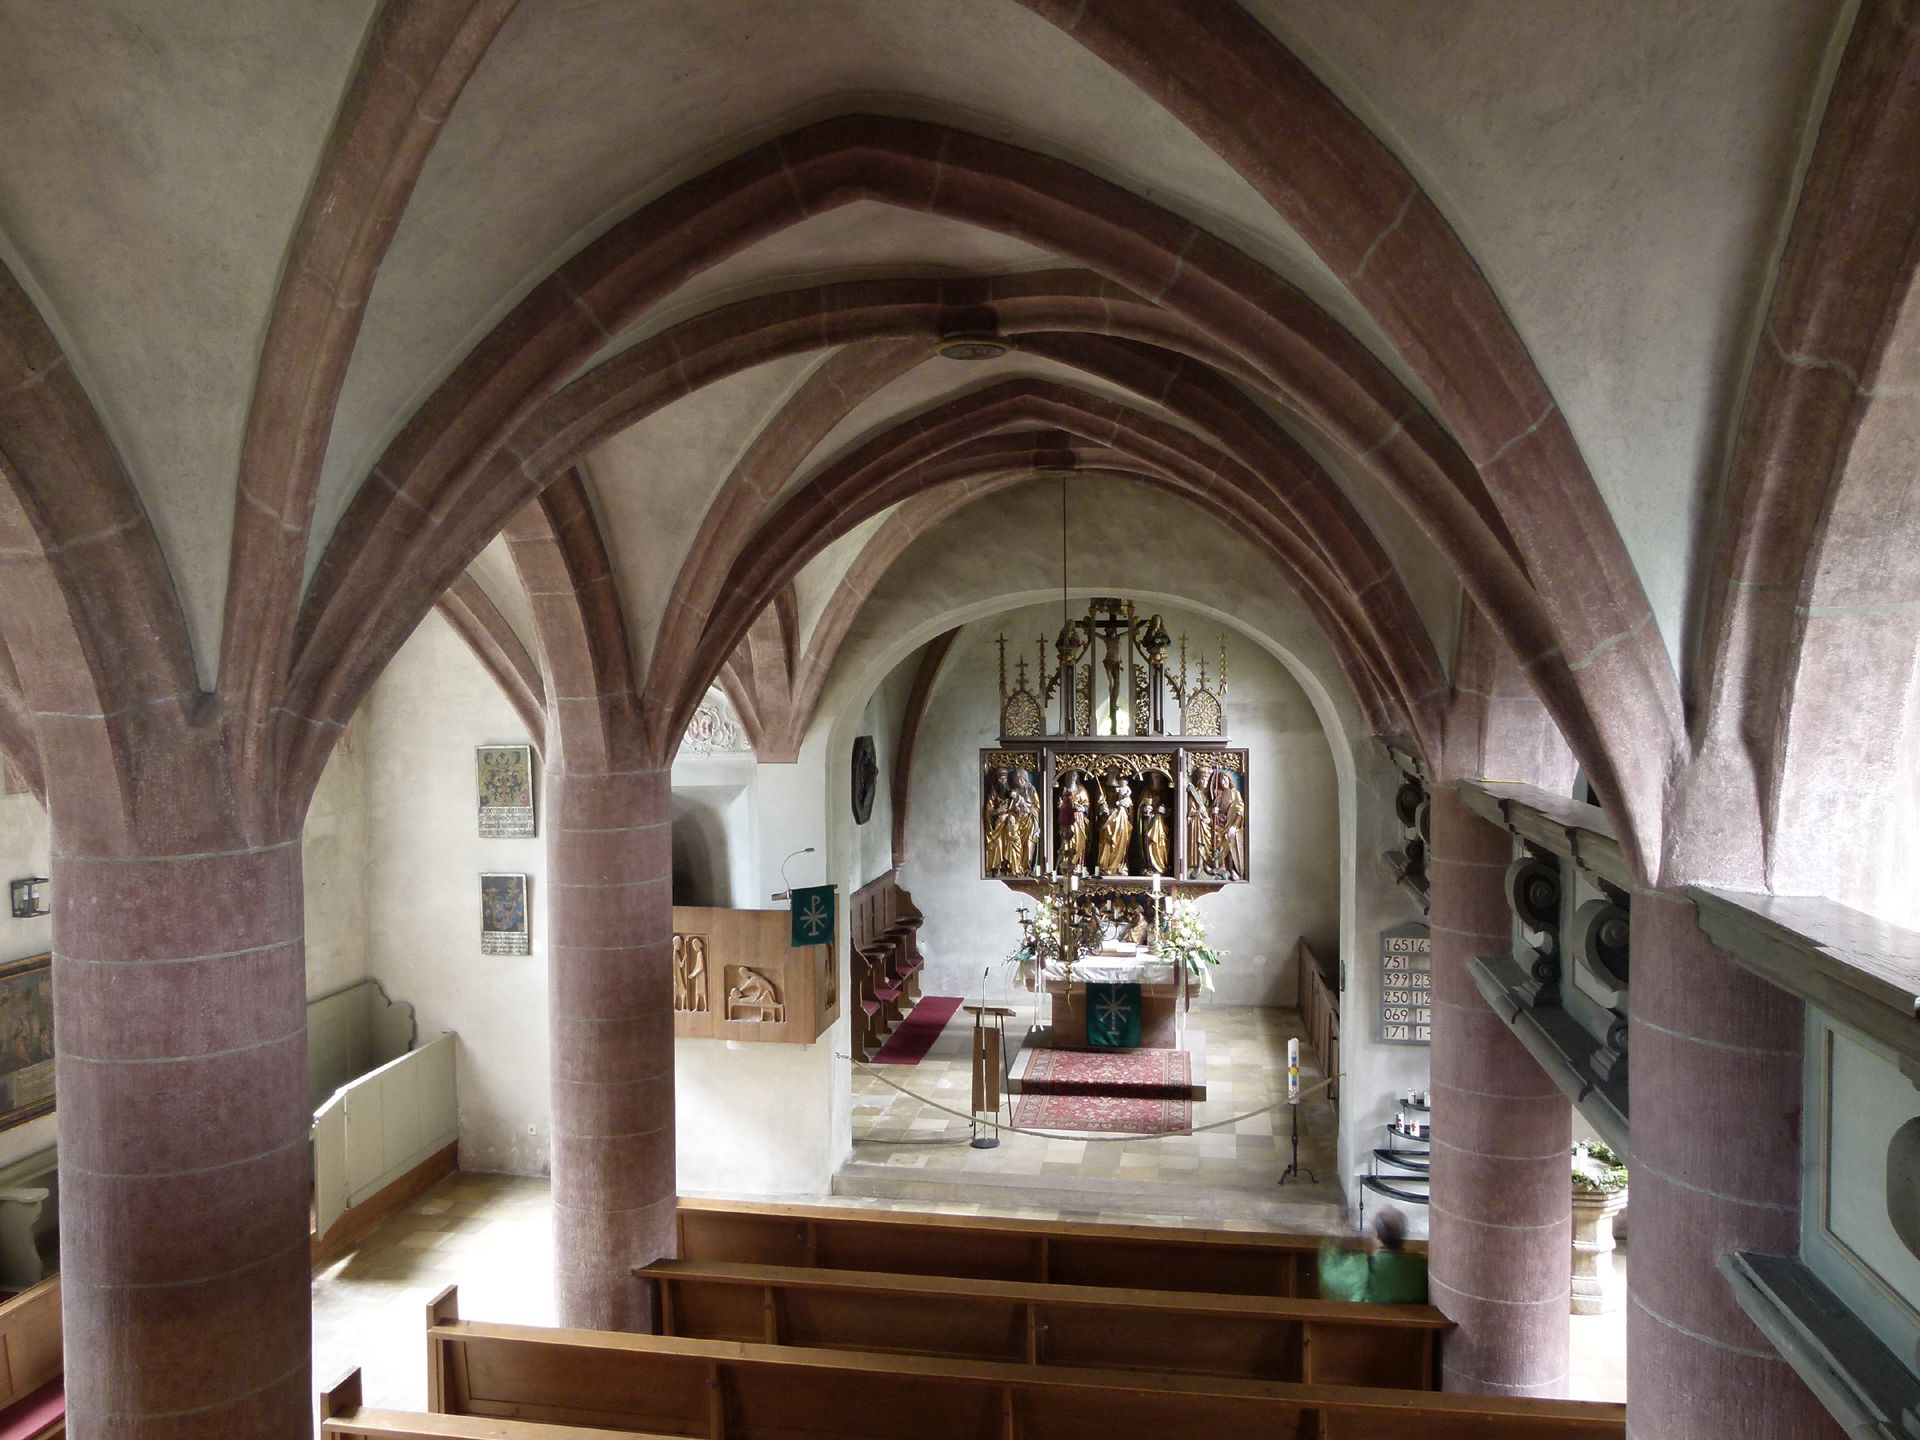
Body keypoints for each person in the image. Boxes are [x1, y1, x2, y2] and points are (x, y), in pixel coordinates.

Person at [1317, 1208, 1428, 1304]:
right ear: (1402, 1236)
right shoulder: (1420, 1266)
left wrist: (1336, 1243)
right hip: (1412, 1328)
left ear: (1376, 1235)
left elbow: (1329, 1274)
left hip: (1365, 1328)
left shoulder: (1361, 1267)